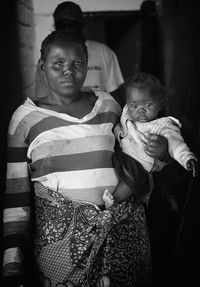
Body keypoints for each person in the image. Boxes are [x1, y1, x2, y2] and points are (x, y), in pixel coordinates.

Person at [2, 30, 168, 287]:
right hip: (61, 257)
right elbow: (16, 197)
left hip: (121, 237)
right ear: (42, 67)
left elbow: (138, 157)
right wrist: (11, 262)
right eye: (58, 64)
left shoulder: (108, 105)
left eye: (77, 63)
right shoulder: (24, 119)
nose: (68, 71)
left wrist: (160, 152)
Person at [103, 72, 198, 209]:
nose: (141, 111)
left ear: (161, 103)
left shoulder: (163, 126)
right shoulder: (125, 112)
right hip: (119, 155)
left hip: (138, 163)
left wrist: (186, 158)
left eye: (148, 105)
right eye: (134, 106)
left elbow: (176, 144)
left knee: (131, 180)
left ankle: (114, 201)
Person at [52, 1, 125, 106]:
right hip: (65, 120)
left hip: (100, 118)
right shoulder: (50, 57)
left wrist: (120, 119)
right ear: (56, 27)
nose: (67, 29)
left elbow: (115, 95)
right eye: (62, 25)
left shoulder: (104, 52)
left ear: (81, 25)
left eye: (71, 25)